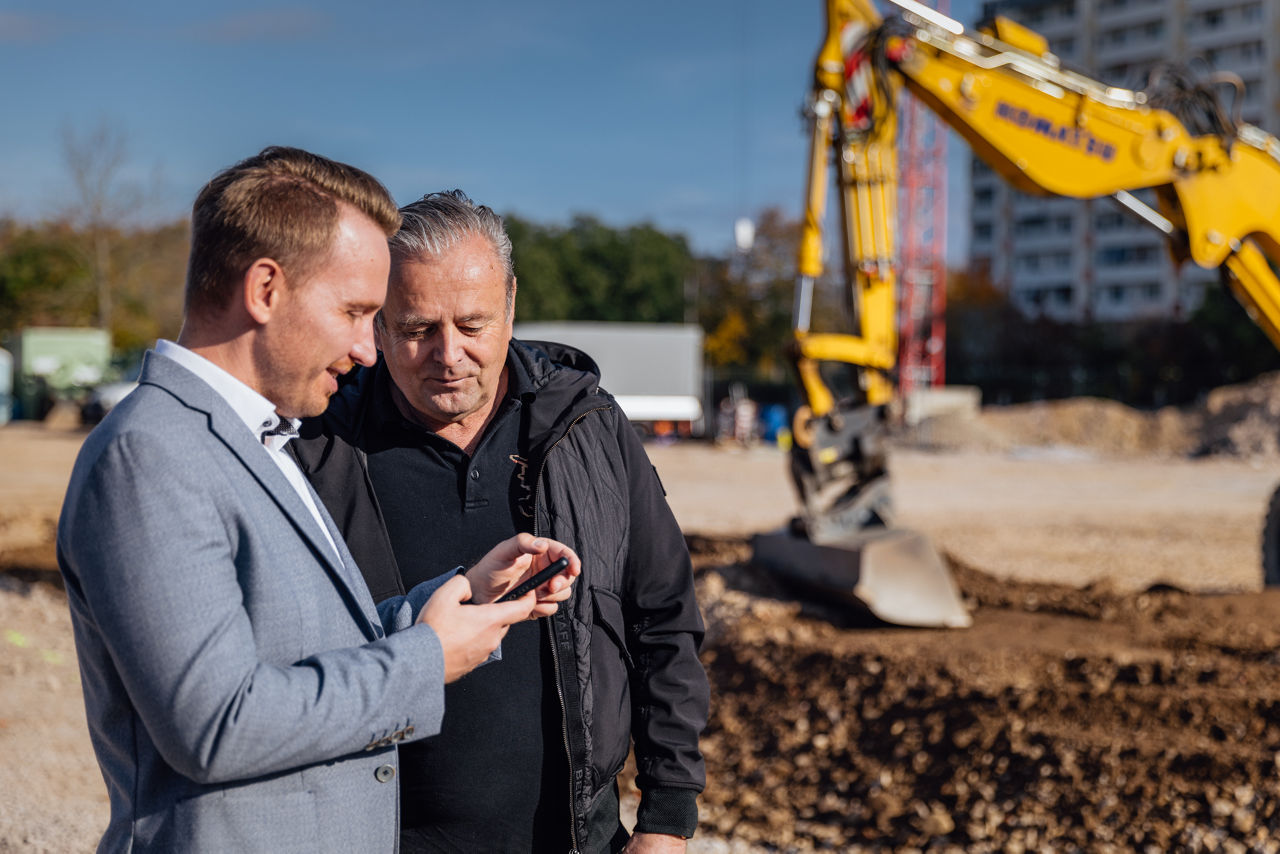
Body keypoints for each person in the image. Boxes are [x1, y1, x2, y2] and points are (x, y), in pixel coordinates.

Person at [56, 149, 580, 854]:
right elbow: (217, 726)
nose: (369, 349)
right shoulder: (151, 455)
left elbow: (299, 648)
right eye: (356, 312)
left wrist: (451, 601)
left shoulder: (263, 440)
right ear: (265, 289)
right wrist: (426, 661)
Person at [293, 190, 709, 853]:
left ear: (510, 305)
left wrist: (667, 815)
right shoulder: (319, 448)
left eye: (472, 324)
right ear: (378, 322)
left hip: (577, 840)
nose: (448, 354)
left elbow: (663, 618)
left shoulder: (587, 429)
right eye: (417, 328)